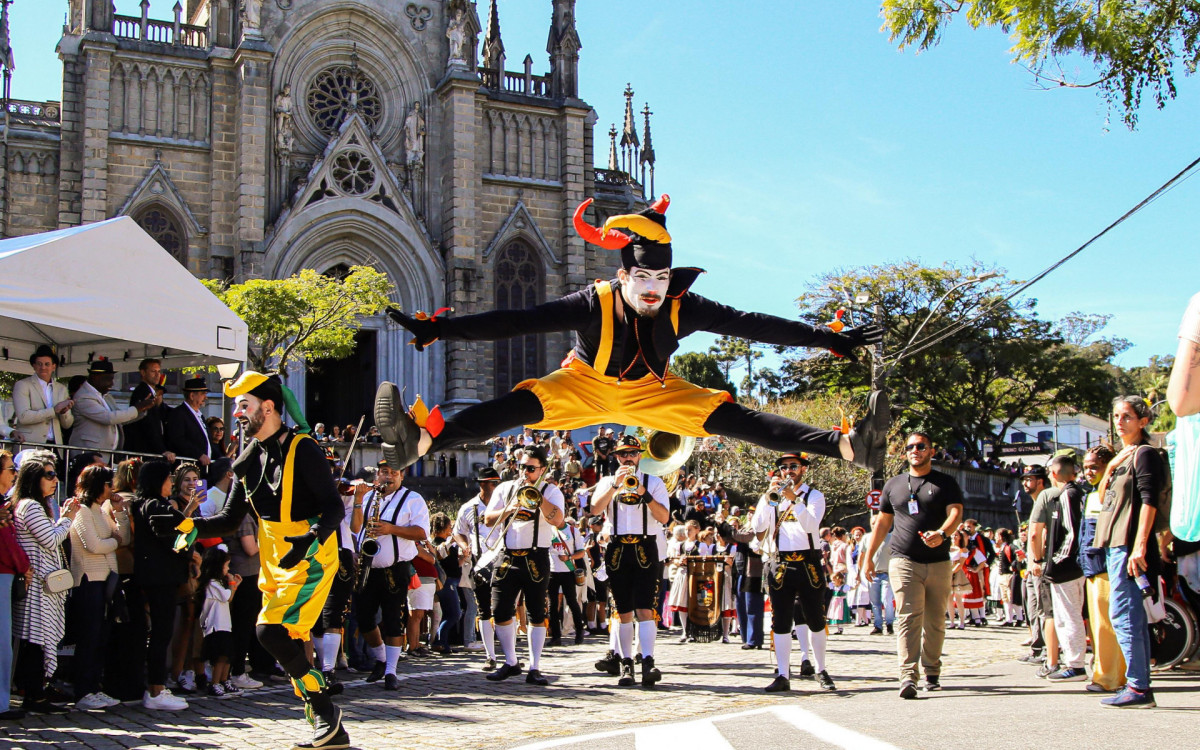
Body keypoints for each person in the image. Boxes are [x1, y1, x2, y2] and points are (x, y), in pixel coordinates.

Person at [375, 196, 888, 482]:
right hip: (584, 383)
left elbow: (753, 324)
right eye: (643, 280)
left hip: (654, 391)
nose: (652, 291)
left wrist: (828, 339)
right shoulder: (592, 302)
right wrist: (438, 328)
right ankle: (419, 441)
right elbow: (516, 321)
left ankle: (849, 446)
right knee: (513, 407)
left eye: (661, 281)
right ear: (623, 277)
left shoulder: (685, 306)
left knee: (736, 418)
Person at [149, 372, 349, 748]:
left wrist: (311, 538)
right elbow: (227, 518)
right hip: (274, 555)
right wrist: (185, 523)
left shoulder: (302, 448)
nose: (238, 413)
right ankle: (329, 725)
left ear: (268, 408)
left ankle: (326, 712)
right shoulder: (246, 458)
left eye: (245, 405)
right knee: (281, 635)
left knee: (269, 631)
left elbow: (334, 507)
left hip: (310, 553)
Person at [863, 431, 964, 699]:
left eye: (921, 446)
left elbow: (955, 513)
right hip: (904, 560)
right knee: (908, 617)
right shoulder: (893, 485)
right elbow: (883, 523)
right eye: (910, 447)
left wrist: (942, 534)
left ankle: (932, 670)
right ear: (905, 452)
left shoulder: (945, 483)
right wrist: (869, 558)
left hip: (939, 561)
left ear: (931, 451)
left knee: (935, 621)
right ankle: (907, 676)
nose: (915, 450)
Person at [1091, 395, 1167, 709]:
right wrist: (1110, 465)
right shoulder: (1124, 456)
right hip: (1114, 543)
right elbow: (1103, 495)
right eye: (1117, 416)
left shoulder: (1145, 454)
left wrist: (1139, 547)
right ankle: (1138, 685)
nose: (1120, 422)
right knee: (1124, 615)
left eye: (1127, 417)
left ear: (1143, 421)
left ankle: (1138, 687)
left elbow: (1149, 500)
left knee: (1125, 616)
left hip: (1128, 544)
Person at [588, 434, 671, 687]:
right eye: (623, 454)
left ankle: (647, 661)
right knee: (623, 611)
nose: (628, 458)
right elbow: (594, 509)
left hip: (645, 547)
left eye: (632, 454)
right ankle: (626, 665)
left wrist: (643, 492)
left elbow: (664, 517)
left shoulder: (654, 482)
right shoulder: (606, 481)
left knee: (646, 608)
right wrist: (616, 485)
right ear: (616, 457)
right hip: (618, 548)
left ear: (639, 456)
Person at [483, 445, 565, 686]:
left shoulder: (551, 490)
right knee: (499, 610)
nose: (524, 472)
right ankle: (510, 661)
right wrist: (511, 507)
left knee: (536, 612)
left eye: (530, 468)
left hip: (536, 556)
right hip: (507, 555)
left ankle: (535, 666)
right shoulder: (505, 488)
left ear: (541, 470)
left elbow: (558, 520)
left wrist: (538, 499)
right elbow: (488, 520)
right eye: (521, 467)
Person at [753, 452, 835, 692]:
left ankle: (820, 669)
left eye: (793, 466)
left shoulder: (814, 496)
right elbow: (758, 527)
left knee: (815, 618)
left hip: (807, 563)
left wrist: (795, 500)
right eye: (784, 467)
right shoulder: (771, 496)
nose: (788, 471)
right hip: (780, 564)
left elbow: (811, 525)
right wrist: (768, 501)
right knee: (780, 620)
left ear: (803, 469)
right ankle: (782, 673)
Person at [12, 453, 78, 713]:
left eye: (54, 475)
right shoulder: (30, 505)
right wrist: (68, 518)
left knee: (37, 641)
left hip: (42, 585)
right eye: (48, 475)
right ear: (33, 478)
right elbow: (50, 540)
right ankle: (34, 695)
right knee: (36, 641)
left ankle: (36, 692)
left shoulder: (34, 506)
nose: (54, 480)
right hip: (38, 587)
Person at [354, 459, 428, 688]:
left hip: (395, 569)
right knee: (364, 618)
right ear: (378, 475)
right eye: (384, 472)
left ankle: (391, 672)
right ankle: (381, 658)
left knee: (392, 619)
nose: (389, 476)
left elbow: (421, 532)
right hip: (367, 566)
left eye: (394, 473)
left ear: (401, 476)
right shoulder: (368, 497)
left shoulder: (413, 499)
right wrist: (357, 501)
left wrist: (390, 529)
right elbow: (355, 529)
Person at [69, 464, 128, 710]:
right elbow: (93, 545)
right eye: (107, 484)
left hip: (106, 581)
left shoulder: (102, 510)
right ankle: (83, 690)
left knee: (102, 636)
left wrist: (120, 513)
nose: (111, 489)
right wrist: (112, 542)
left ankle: (94, 687)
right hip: (87, 580)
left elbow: (123, 538)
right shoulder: (81, 510)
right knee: (89, 637)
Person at [1028, 453, 1087, 682]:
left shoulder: (1067, 495)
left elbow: (1072, 532)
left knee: (1067, 616)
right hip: (1073, 566)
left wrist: (1055, 560)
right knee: (1068, 614)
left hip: (1066, 567)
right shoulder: (1079, 493)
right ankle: (1075, 662)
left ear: (1053, 474)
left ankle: (1075, 665)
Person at [1078, 445, 1125, 693]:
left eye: (1094, 467)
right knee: (1098, 625)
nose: (1088, 471)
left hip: (1105, 566)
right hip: (1092, 566)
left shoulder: (1109, 493)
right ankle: (1109, 673)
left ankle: (1109, 677)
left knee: (1107, 625)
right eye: (1085, 467)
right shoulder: (1092, 495)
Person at [453, 468, 501, 669]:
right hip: (479, 561)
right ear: (482, 484)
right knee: (483, 608)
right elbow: (458, 532)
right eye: (493, 483)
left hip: (502, 561)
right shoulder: (468, 507)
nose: (497, 487)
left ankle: (510, 655)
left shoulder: (505, 504)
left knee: (503, 608)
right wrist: (465, 547)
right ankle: (490, 656)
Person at [69, 358, 156, 450]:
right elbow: (109, 418)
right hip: (88, 453)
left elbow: (120, 419)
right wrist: (137, 408)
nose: (112, 383)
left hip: (106, 453)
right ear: (95, 377)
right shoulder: (83, 396)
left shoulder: (106, 396)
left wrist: (142, 409)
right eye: (108, 379)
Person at [1019, 465, 1057, 669]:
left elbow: (1042, 533)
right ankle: (1038, 646)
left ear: (1041, 481)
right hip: (1032, 563)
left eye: (1029, 479)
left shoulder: (1047, 498)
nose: (1025, 483)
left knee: (1044, 608)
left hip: (1039, 564)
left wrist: (1037, 559)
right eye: (1024, 479)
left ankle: (1049, 651)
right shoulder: (1036, 502)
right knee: (1032, 607)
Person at [197, 546, 242, 699]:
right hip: (215, 626)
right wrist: (232, 584)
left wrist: (233, 586)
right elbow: (226, 597)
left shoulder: (218, 583)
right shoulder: (212, 583)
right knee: (219, 656)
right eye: (226, 565)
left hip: (225, 624)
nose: (228, 569)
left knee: (228, 654)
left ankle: (225, 680)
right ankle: (215, 683)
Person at [0, 450, 24, 720]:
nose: (13, 475)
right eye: (9, 469)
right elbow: (8, 547)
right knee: (2, 643)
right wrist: (25, 566)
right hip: (3, 573)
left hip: (7, 573)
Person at [11, 344, 74, 446]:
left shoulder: (61, 388)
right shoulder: (23, 385)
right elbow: (23, 417)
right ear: (34, 366)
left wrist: (63, 412)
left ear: (54, 366)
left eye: (47, 364)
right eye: (39, 364)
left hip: (55, 445)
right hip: (30, 445)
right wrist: (53, 410)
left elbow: (67, 425)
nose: (43, 367)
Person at [123, 358, 174, 462]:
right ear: (143, 372)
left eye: (158, 371)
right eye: (153, 371)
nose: (157, 375)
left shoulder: (150, 392)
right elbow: (149, 423)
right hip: (143, 450)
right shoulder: (143, 391)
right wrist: (162, 450)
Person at [431, 513, 463, 655]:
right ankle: (439, 641)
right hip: (446, 582)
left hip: (451, 581)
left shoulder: (444, 543)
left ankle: (443, 641)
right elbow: (441, 554)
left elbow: (454, 564)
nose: (451, 529)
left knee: (449, 613)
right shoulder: (438, 543)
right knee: (454, 614)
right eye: (449, 527)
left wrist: (463, 558)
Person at [166, 377, 213, 470]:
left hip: (202, 468)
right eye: (203, 394)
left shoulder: (199, 415)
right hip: (187, 469)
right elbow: (178, 440)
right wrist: (199, 455)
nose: (205, 397)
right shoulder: (179, 414)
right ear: (192, 396)